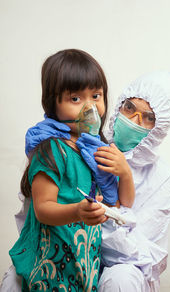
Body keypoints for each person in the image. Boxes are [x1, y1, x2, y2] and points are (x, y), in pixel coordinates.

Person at [5, 48, 134, 292]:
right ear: (53, 104)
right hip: (49, 267)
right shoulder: (52, 149)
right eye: (75, 99)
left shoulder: (97, 149)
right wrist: (78, 211)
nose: (90, 108)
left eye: (96, 96)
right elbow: (43, 209)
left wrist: (125, 172)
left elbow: (123, 204)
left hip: (82, 263)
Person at [76, 70, 170, 291]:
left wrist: (108, 207)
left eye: (149, 117)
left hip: (125, 269)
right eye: (130, 108)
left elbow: (136, 251)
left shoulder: (163, 177)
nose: (134, 120)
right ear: (119, 105)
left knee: (120, 279)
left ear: (160, 128)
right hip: (72, 251)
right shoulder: (89, 142)